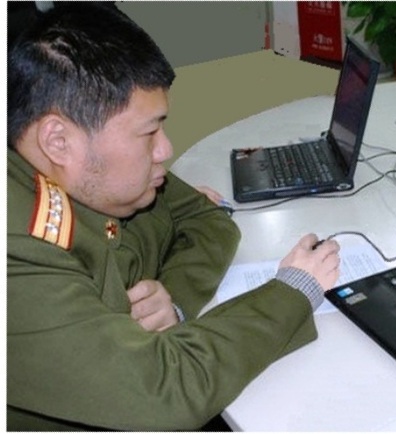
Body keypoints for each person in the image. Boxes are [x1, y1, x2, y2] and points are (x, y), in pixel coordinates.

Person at [7, 4, 340, 431]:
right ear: (58, 141)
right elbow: (163, 391)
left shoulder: (102, 178)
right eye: (149, 132)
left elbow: (208, 219)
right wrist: (292, 293)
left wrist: (175, 302)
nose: (164, 149)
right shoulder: (15, 251)